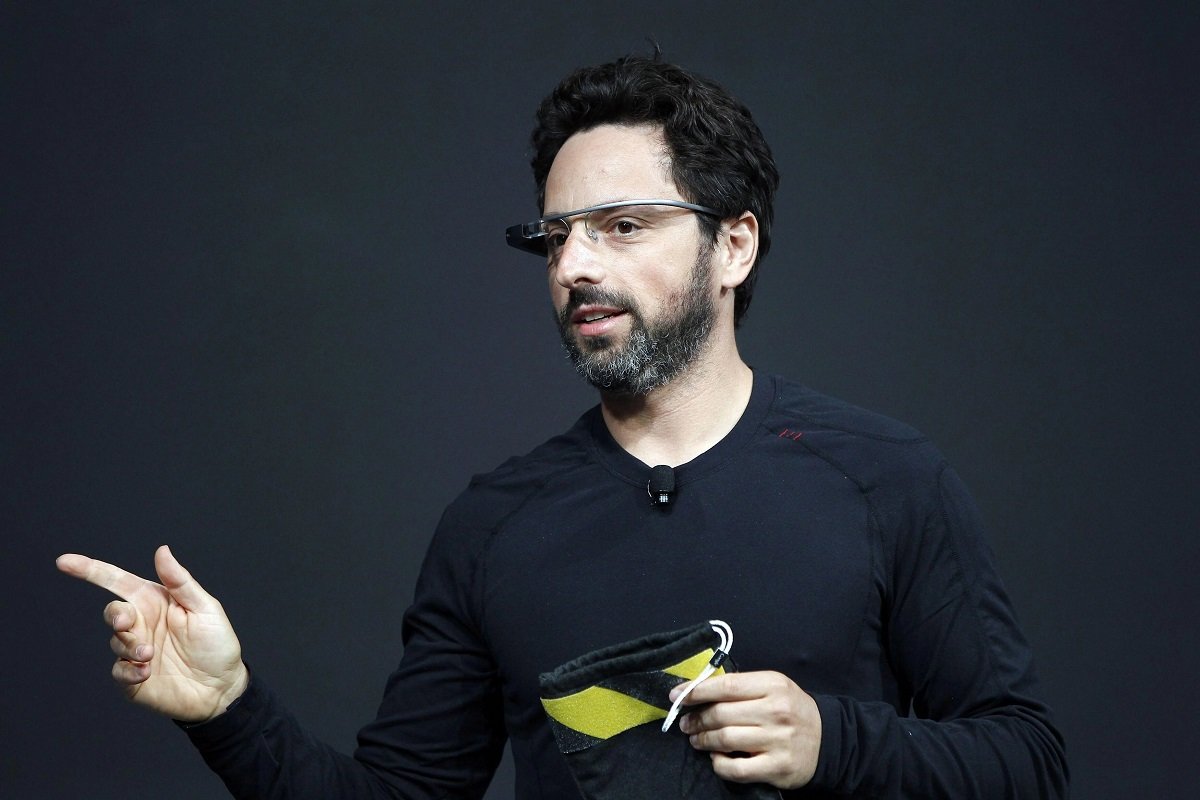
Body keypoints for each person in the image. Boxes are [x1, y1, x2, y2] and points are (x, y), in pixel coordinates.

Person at [57, 54, 1068, 799]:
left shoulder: (885, 478)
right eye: (557, 237)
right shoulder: (493, 528)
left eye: (622, 225)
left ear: (734, 246)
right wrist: (228, 710)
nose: (575, 265)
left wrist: (834, 742)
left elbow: (1027, 760)